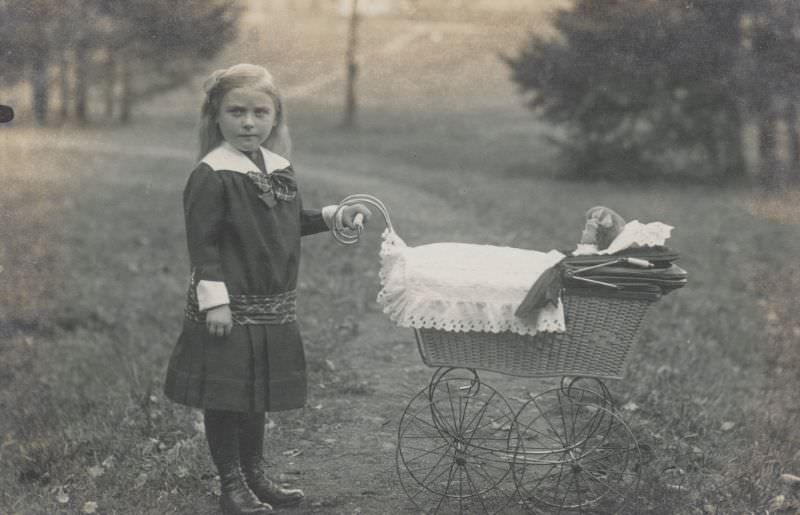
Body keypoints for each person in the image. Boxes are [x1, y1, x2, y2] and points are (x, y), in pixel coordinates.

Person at [163, 63, 371, 515]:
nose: (248, 123)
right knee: (226, 395)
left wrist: (333, 216)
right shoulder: (212, 173)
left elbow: (286, 223)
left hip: (271, 307)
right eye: (236, 112)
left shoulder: (277, 168)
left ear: (276, 117)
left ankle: (254, 475)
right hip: (230, 308)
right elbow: (203, 244)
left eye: (260, 113)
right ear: (215, 115)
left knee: (254, 395)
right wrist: (215, 303)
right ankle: (231, 485)